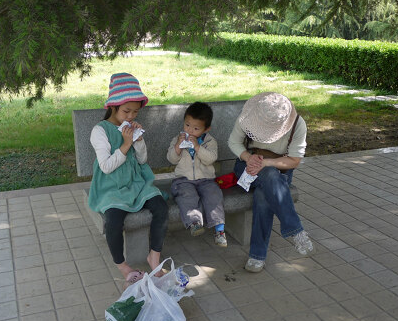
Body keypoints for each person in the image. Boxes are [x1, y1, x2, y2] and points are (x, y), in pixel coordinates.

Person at [88, 73, 169, 285]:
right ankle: (123, 266)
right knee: (113, 221)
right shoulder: (100, 131)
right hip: (112, 186)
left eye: (135, 111)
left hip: (136, 182)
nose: (131, 116)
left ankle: (154, 256)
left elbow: (142, 160)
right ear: (114, 106)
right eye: (126, 111)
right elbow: (106, 167)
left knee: (161, 206)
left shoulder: (132, 127)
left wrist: (139, 141)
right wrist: (125, 143)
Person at [228, 92, 314, 272]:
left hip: (278, 169)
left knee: (263, 193)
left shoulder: (298, 124)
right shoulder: (251, 116)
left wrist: (266, 163)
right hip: (246, 165)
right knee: (270, 178)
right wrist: (248, 157)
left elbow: (294, 161)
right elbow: (233, 142)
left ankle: (257, 257)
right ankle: (296, 230)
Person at [166, 102, 227, 247]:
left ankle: (219, 229)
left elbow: (211, 159)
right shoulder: (178, 139)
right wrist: (177, 148)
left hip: (206, 180)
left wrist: (198, 147)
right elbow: (171, 159)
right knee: (187, 195)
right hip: (183, 180)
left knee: (214, 195)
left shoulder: (210, 141)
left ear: (206, 129)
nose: (190, 131)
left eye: (196, 128)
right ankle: (194, 222)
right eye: (187, 125)